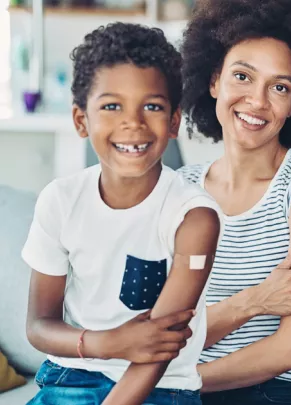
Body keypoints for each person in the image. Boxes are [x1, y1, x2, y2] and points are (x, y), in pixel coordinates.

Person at [23, 23, 222, 404]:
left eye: (152, 106)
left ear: (175, 121)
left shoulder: (194, 218)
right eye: (112, 106)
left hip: (160, 388)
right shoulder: (59, 201)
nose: (133, 123)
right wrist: (109, 343)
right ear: (82, 120)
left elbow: (161, 349)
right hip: (72, 374)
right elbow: (38, 326)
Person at [177, 0, 291, 403]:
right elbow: (159, 334)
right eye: (242, 77)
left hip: (281, 391)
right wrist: (256, 300)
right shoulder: (179, 189)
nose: (257, 101)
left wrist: (178, 380)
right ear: (214, 81)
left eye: (280, 87)